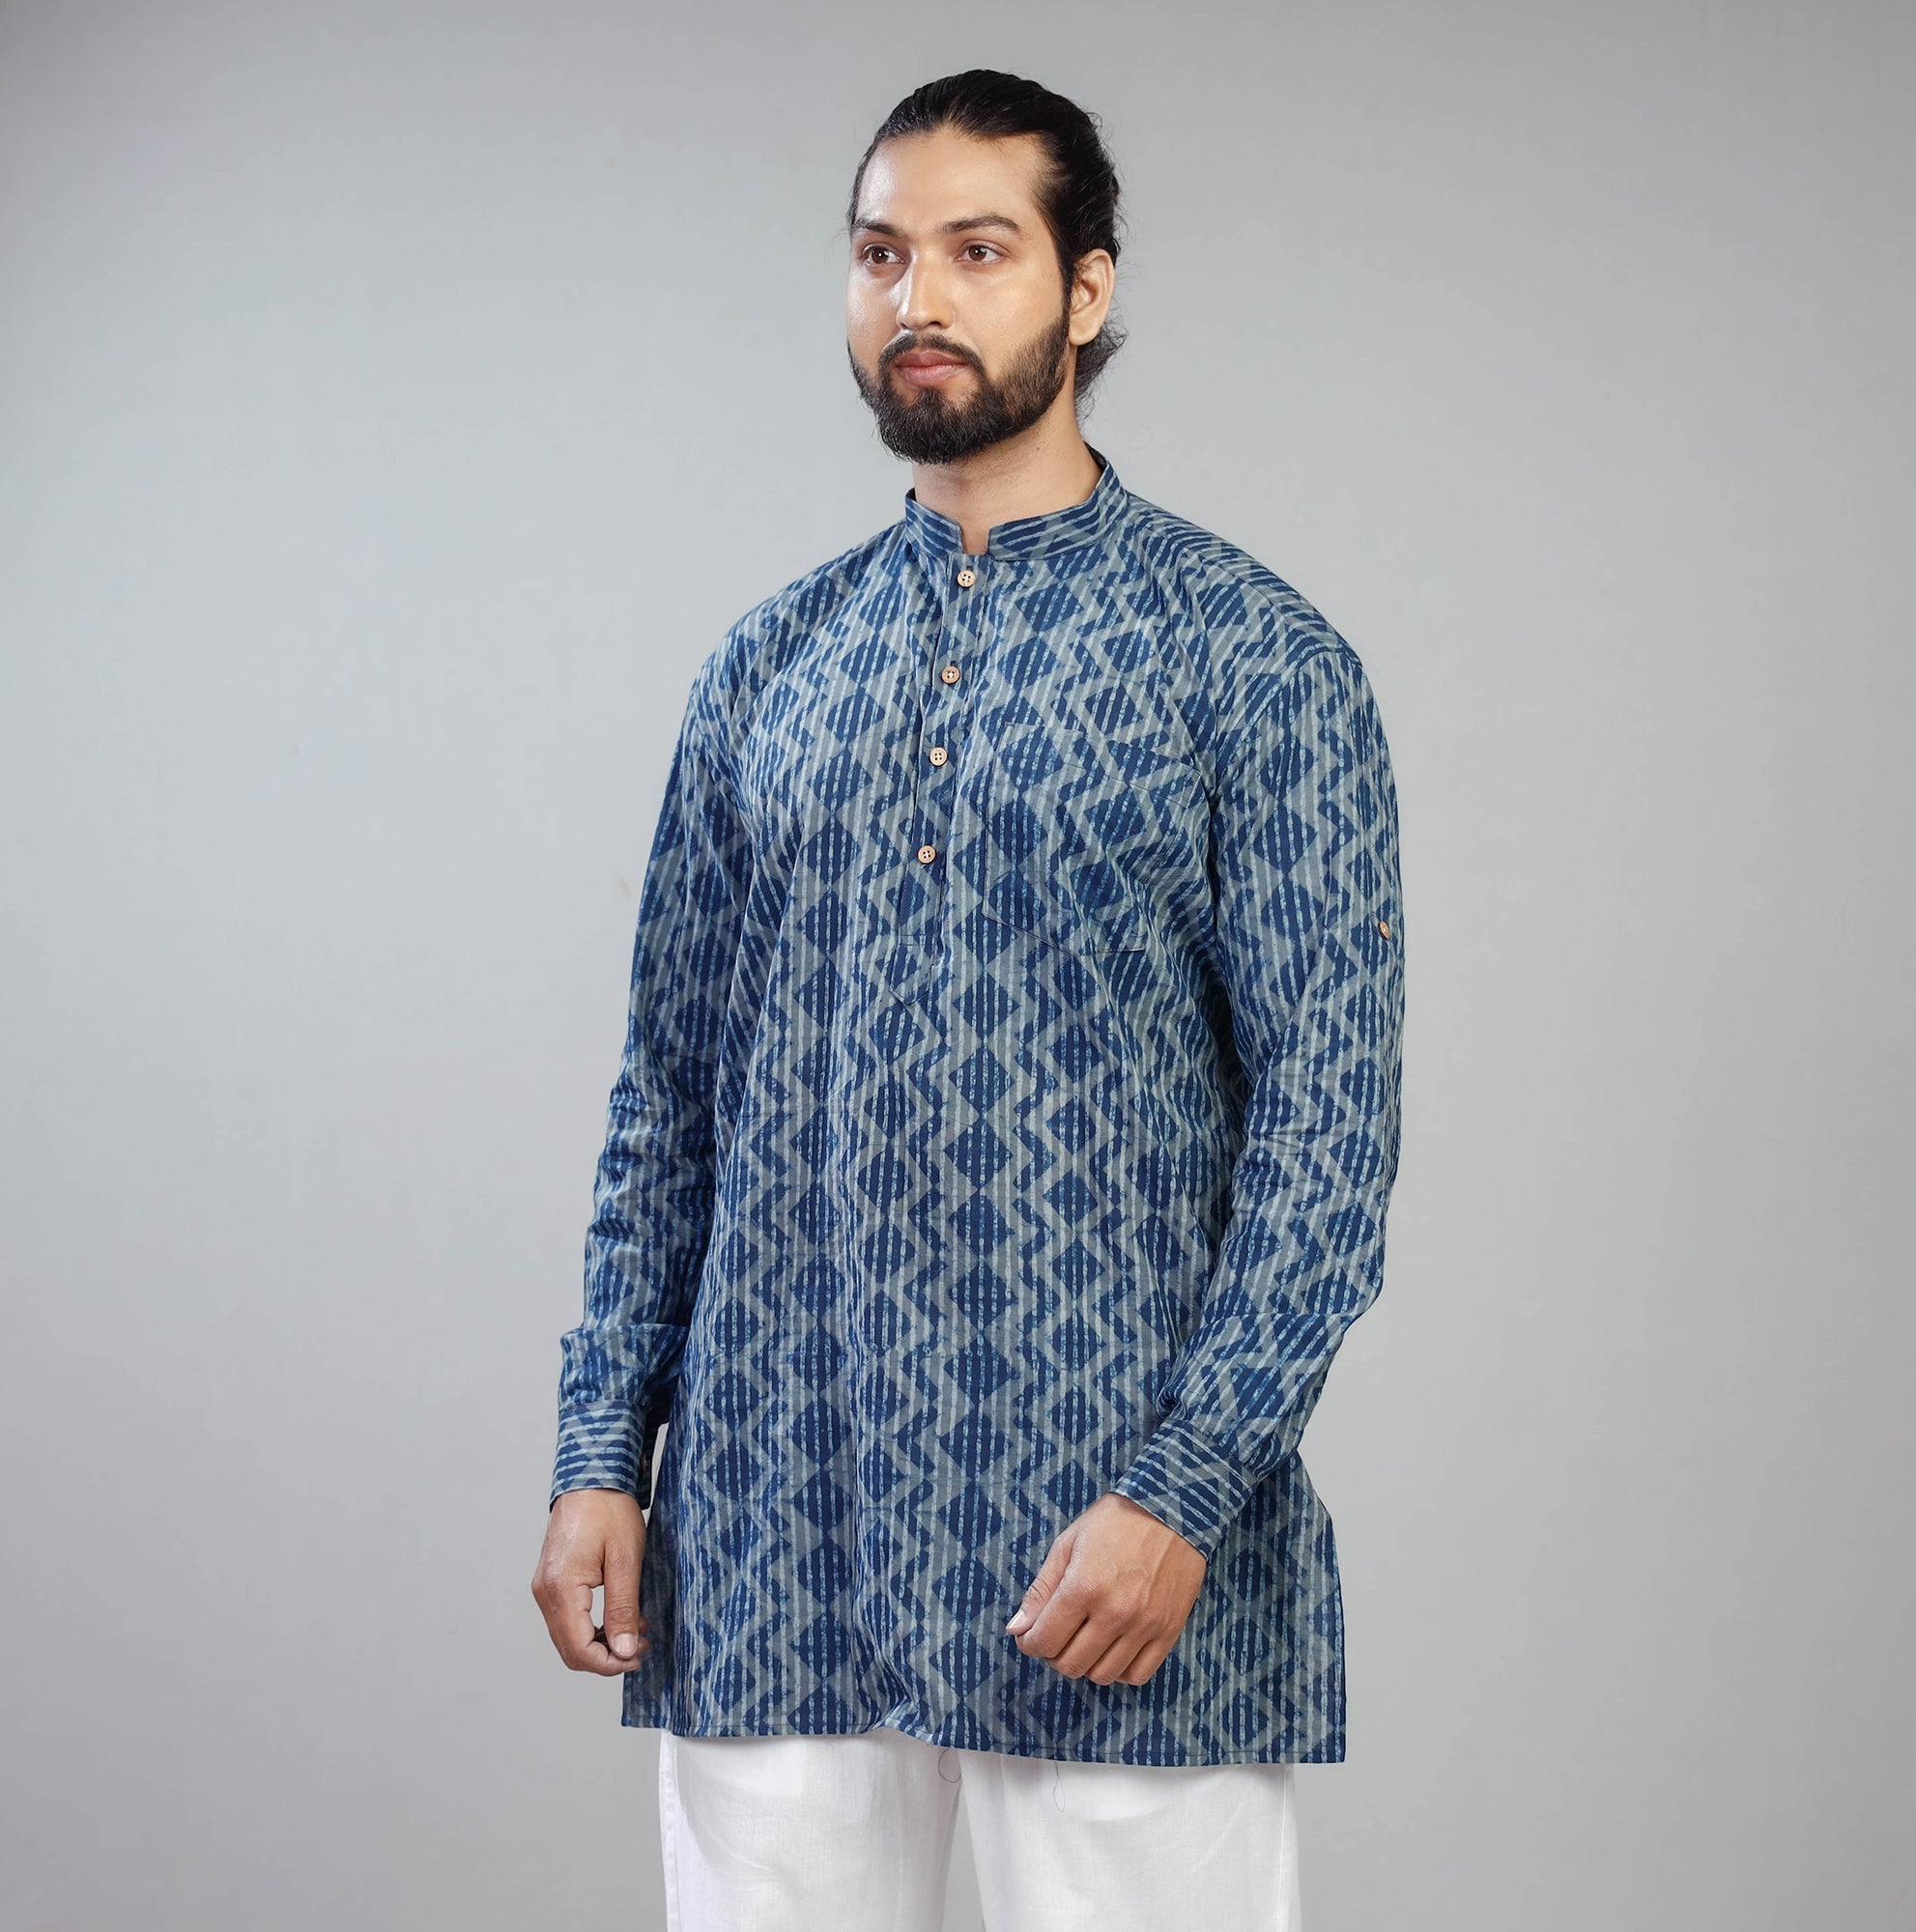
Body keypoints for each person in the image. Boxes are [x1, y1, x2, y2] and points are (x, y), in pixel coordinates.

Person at [530, 67, 1405, 1932]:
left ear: (1087, 288)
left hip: (1116, 1560)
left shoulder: (1252, 661)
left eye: (978, 251)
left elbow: (1328, 1144)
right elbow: (668, 1097)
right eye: (879, 256)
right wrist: (604, 1449)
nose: (917, 298)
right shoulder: (769, 667)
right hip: (776, 1540)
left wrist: (1184, 1491)